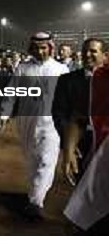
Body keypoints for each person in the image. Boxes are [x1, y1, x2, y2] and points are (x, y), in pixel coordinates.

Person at [0, 32, 68, 220]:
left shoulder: (61, 70)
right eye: (37, 47)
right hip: (27, 121)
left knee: (47, 160)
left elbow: (68, 100)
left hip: (52, 123)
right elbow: (11, 93)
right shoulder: (23, 68)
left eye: (44, 47)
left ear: (50, 48)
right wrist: (4, 115)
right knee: (31, 160)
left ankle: (36, 201)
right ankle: (34, 193)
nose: (40, 51)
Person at [52, 38, 108, 185]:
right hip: (79, 143)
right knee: (82, 187)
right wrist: (68, 145)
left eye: (93, 51)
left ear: (105, 55)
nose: (87, 54)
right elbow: (60, 113)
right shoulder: (66, 80)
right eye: (84, 51)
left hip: (105, 143)